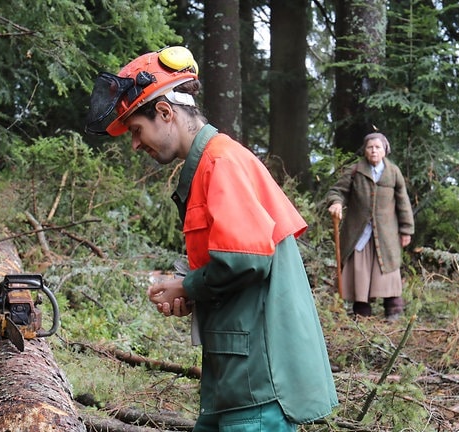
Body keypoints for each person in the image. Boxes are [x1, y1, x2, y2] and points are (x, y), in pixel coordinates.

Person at [86, 46, 338, 431]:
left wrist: (187, 284)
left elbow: (246, 260)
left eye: (137, 130)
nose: (136, 144)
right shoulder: (207, 163)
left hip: (256, 386)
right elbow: (231, 262)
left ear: (166, 113)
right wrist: (191, 291)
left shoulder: (221, 161)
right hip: (233, 381)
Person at [326, 132, 414, 320]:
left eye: (378, 147)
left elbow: (403, 202)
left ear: (385, 150)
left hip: (386, 234)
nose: (374, 151)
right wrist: (336, 203)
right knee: (360, 270)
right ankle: (362, 312)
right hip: (359, 232)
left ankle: (393, 309)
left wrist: (406, 229)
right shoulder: (355, 170)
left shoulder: (393, 172)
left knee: (388, 269)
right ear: (365, 150)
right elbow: (337, 191)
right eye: (370, 147)